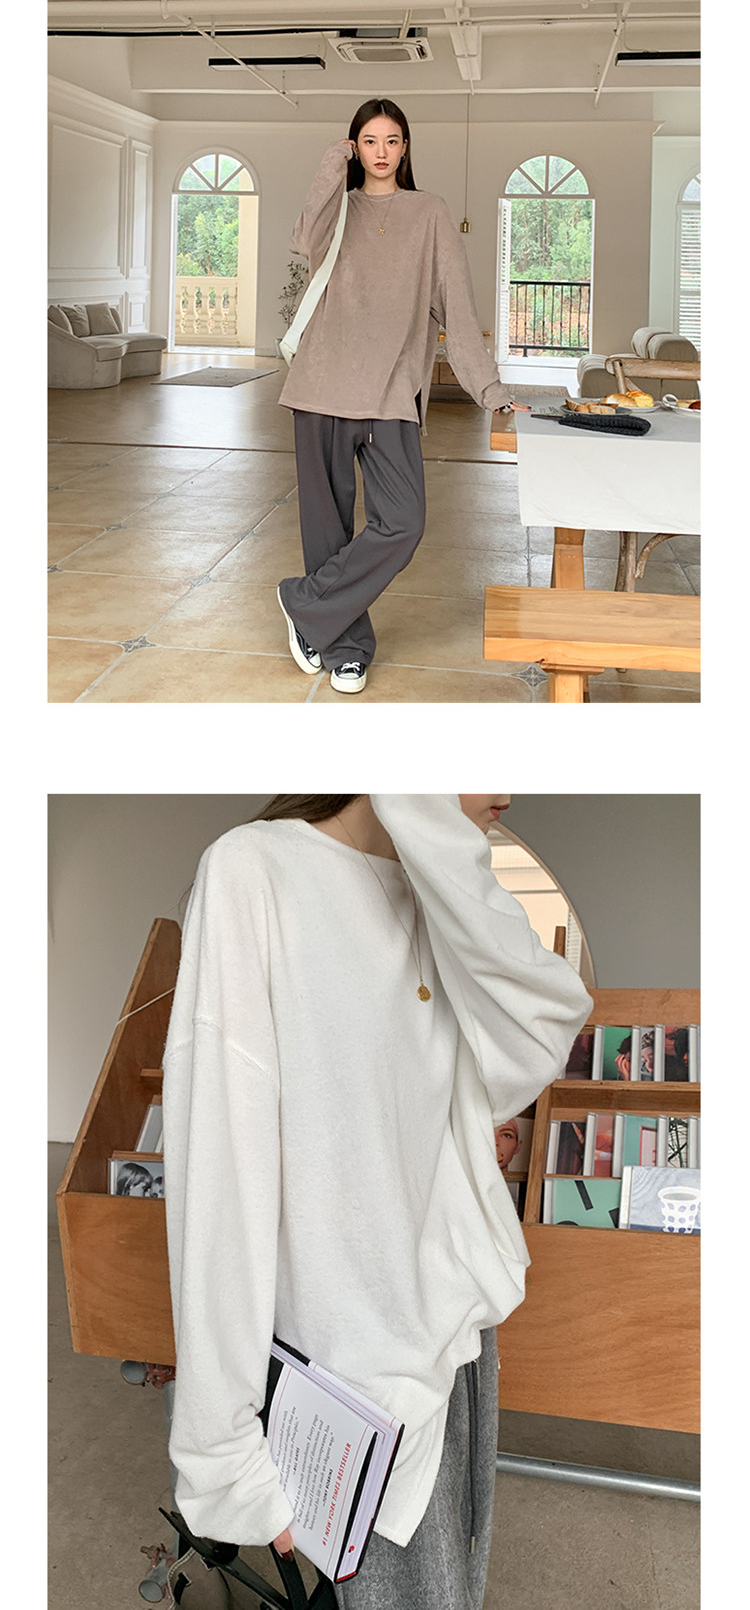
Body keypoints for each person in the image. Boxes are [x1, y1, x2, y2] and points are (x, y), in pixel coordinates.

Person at [163, 793, 593, 1610]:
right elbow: (219, 1173)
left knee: (458, 1587)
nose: (508, 791)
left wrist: (429, 835)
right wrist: (221, 1451)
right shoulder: (255, 872)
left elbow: (543, 1030)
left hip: (456, 1341)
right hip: (349, 1386)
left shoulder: (437, 888)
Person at [274, 100, 510, 694]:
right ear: (355, 146)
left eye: (393, 140)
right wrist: (333, 163)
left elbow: (457, 306)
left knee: (403, 523)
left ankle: (304, 602)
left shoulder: (429, 212)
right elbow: (303, 238)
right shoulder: (340, 208)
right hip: (321, 386)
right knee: (327, 531)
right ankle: (345, 648)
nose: (381, 151)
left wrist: (489, 389)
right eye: (369, 140)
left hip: (390, 395)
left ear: (406, 148)